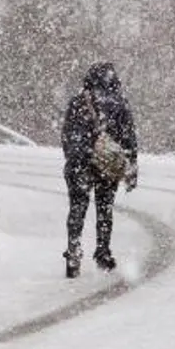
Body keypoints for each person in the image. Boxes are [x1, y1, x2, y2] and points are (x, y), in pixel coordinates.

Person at [60, 61, 139, 278]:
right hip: (106, 165)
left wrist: (76, 156)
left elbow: (67, 135)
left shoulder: (78, 102)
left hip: (79, 163)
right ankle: (103, 252)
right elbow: (128, 139)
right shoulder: (119, 104)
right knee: (105, 210)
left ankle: (73, 250)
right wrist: (131, 168)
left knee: (77, 208)